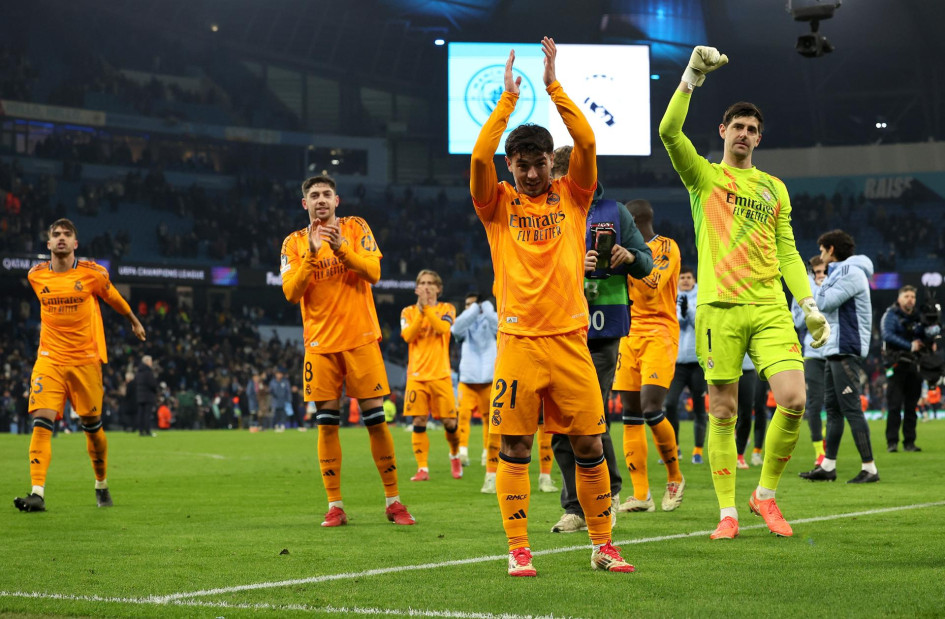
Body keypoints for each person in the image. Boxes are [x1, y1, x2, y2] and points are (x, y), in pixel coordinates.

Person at [470, 37, 633, 575]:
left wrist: (553, 86)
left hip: (569, 340)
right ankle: (519, 550)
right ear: (511, 165)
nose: (532, 175)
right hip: (518, 343)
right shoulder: (496, 204)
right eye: (522, 166)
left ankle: (603, 545)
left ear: (550, 163)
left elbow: (585, 139)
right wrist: (507, 100)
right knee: (515, 449)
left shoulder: (574, 194)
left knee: (589, 444)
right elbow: (478, 156)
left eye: (539, 164)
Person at [658, 46, 830, 539]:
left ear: (759, 137)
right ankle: (727, 512)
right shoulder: (704, 177)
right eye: (738, 126)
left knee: (793, 399)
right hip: (719, 309)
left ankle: (765, 496)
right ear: (723, 132)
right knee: (723, 411)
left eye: (753, 129)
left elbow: (788, 252)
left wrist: (809, 304)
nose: (745, 134)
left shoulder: (775, 188)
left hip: (771, 307)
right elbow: (669, 132)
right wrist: (691, 76)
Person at [281, 174, 414, 527]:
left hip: (360, 339)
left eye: (327, 194)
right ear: (305, 203)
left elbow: (373, 272)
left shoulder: (355, 227)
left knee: (376, 422)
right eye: (314, 195)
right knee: (327, 426)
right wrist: (311, 255)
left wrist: (341, 247)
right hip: (320, 346)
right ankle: (335, 505)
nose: (321, 199)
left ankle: (394, 501)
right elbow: (291, 293)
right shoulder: (294, 242)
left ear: (337, 200)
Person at [548, 147, 653, 532]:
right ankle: (577, 506)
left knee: (590, 414)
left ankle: (605, 495)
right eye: (561, 178)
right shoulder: (545, 213)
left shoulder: (615, 212)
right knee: (560, 421)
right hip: (557, 328)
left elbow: (647, 261)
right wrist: (574, 266)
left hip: (602, 328)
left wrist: (630, 257)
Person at [14, 218, 146, 512]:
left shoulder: (92, 274)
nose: (61, 238)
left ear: (75, 243)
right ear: (48, 243)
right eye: (56, 234)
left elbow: (112, 296)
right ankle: (37, 492)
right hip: (49, 359)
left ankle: (101, 482)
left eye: (67, 234)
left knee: (92, 428)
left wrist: (133, 320)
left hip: (85, 361)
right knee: (41, 421)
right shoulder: (36, 275)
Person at [612, 200, 685, 514]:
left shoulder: (666, 247)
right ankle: (641, 494)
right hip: (627, 334)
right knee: (630, 413)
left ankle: (675, 477)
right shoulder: (620, 251)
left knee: (651, 408)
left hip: (659, 332)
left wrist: (630, 259)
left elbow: (653, 284)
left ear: (632, 220)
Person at [799, 229, 878, 483]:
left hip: (845, 348)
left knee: (851, 408)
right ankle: (828, 466)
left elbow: (824, 303)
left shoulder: (850, 272)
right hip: (834, 348)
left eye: (822, 250)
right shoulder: (842, 272)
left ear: (831, 249)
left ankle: (870, 468)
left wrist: (814, 285)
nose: (820, 255)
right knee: (833, 410)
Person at [400, 269, 462, 480]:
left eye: (430, 283)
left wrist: (426, 308)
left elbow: (442, 328)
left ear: (438, 288)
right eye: (422, 283)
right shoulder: (408, 312)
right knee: (418, 420)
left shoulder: (447, 308)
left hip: (441, 375)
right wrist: (421, 310)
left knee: (450, 423)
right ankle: (422, 468)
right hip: (416, 376)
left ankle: (455, 455)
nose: (426, 286)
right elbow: (408, 336)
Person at [450, 291, 501, 492]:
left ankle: (487, 452)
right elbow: (456, 330)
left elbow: (500, 326)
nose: (470, 308)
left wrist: (486, 308)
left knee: (490, 419)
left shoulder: (489, 320)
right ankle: (462, 451)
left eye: (473, 304)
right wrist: (472, 311)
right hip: (468, 378)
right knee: (462, 416)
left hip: (488, 378)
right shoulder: (465, 323)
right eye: (467, 305)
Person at [665, 266, 708, 463]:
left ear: (694, 280)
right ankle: (675, 448)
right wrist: (680, 312)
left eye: (688, 277)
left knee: (699, 407)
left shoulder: (702, 297)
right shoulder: (671, 296)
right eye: (682, 277)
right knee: (670, 404)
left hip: (697, 362)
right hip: (677, 363)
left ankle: (698, 451)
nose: (685, 280)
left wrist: (687, 310)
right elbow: (672, 322)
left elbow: (700, 323)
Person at [792, 255, 828, 465]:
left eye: (824, 272)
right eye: (817, 273)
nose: (821, 276)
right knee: (814, 403)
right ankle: (819, 452)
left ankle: (826, 444)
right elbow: (796, 321)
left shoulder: (836, 288)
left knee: (833, 403)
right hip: (813, 353)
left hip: (834, 351)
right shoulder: (803, 292)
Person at [881, 285, 925, 452]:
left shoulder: (918, 317)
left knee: (911, 406)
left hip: (914, 365)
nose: (910, 300)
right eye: (906, 296)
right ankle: (892, 442)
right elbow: (887, 335)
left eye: (912, 297)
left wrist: (930, 342)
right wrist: (910, 346)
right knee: (894, 405)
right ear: (899, 298)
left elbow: (924, 334)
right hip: (896, 364)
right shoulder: (890, 315)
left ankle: (909, 442)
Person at [734, 356, 767, 469]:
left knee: (751, 411)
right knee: (727, 411)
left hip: (754, 367)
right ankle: (729, 450)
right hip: (729, 367)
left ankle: (743, 454)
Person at [135, 355, 158, 437]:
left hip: (140, 396)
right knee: (147, 414)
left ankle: (141, 431)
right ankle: (147, 431)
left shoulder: (138, 372)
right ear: (147, 362)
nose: (151, 363)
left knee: (140, 413)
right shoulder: (148, 372)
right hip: (148, 396)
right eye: (151, 361)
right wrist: (156, 390)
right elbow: (153, 384)